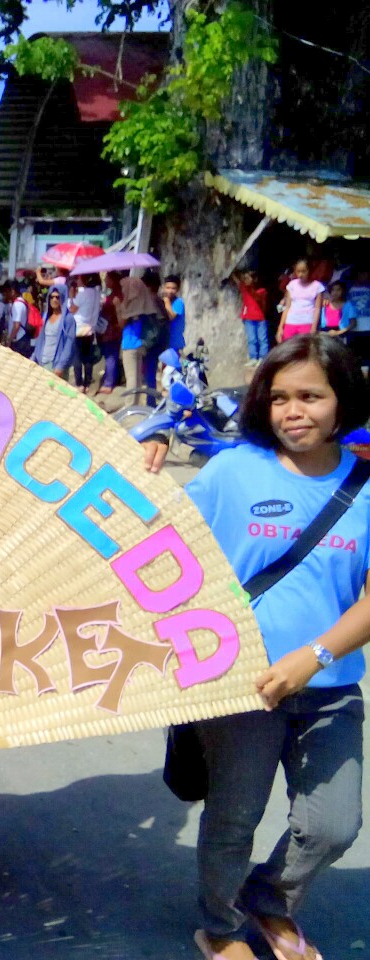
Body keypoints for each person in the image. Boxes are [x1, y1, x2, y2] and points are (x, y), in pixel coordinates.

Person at [176, 334, 369, 960]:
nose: (294, 411)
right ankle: (221, 926)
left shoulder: (365, 485)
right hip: (238, 685)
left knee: (334, 826)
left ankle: (268, 899)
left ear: (343, 401)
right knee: (233, 819)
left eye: (312, 396)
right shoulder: (233, 469)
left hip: (331, 686)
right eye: (280, 396)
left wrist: (312, 658)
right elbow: (161, 542)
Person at [278, 259, 325, 342]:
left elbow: (317, 309)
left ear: (309, 270)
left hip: (307, 322)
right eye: (298, 271)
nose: (300, 274)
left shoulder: (317, 286)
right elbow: (287, 307)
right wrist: (280, 327)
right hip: (291, 322)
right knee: (288, 348)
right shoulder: (292, 285)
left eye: (304, 271)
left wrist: (314, 327)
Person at [32, 287, 75, 378]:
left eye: (57, 297)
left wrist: (60, 365)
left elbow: (69, 344)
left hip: (56, 365)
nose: (54, 300)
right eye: (52, 297)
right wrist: (34, 357)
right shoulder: (45, 317)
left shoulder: (68, 319)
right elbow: (40, 340)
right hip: (42, 362)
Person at [70, 273, 103, 391]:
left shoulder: (83, 294)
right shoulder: (96, 293)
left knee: (77, 356)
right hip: (90, 328)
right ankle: (87, 382)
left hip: (79, 328)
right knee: (88, 357)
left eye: (78, 278)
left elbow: (72, 310)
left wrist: (71, 297)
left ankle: (79, 383)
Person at [94, 272, 123, 393]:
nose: (105, 281)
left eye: (107, 279)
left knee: (111, 356)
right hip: (110, 330)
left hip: (111, 331)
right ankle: (110, 378)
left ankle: (109, 383)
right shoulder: (114, 294)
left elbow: (116, 313)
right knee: (110, 355)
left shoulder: (117, 297)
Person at [236, 269, 270, 364]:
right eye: (244, 278)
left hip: (260, 318)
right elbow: (236, 278)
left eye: (247, 278)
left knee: (262, 339)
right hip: (248, 318)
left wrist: (249, 287)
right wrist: (238, 274)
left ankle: (263, 358)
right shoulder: (244, 287)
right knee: (252, 339)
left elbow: (256, 296)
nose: (245, 280)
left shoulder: (261, 290)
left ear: (254, 279)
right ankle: (253, 358)